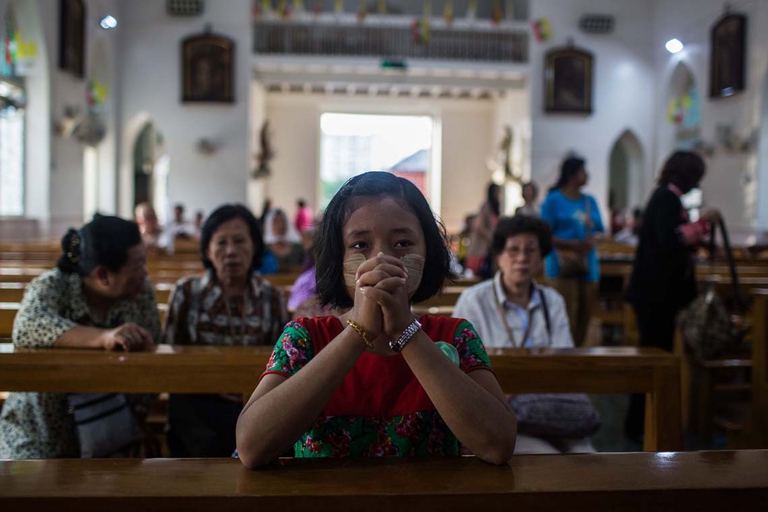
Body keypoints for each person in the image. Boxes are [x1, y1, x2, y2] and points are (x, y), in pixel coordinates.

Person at [236, 171, 516, 468]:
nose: (381, 260)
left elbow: (497, 444)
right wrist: (359, 332)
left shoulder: (455, 336)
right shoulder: (304, 338)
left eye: (402, 243)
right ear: (337, 257)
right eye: (360, 246)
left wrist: (406, 331)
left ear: (429, 252)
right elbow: (252, 448)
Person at [0, 215, 160, 459]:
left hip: (111, 429)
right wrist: (103, 338)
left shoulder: (141, 292)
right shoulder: (53, 286)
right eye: (138, 265)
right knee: (30, 483)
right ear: (103, 275)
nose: (145, 272)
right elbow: (27, 327)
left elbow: (150, 353)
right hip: (39, 431)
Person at [454, 215, 595, 454]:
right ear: (499, 256)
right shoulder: (474, 301)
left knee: (587, 456)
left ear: (541, 258)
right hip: (496, 411)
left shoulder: (552, 300)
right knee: (549, 458)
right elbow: (459, 366)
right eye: (513, 250)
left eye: (531, 251)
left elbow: (564, 360)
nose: (521, 258)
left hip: (547, 406)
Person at [162, 204, 289, 457]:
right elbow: (169, 358)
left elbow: (282, 362)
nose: (231, 251)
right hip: (198, 407)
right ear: (208, 249)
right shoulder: (186, 293)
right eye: (221, 243)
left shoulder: (272, 298)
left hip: (256, 405)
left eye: (240, 241)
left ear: (254, 246)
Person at [624, 151, 720, 441]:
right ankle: (639, 425)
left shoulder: (667, 197)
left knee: (657, 355)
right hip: (655, 296)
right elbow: (670, 239)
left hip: (659, 295)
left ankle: (645, 422)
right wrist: (703, 223)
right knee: (653, 357)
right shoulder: (666, 197)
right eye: (696, 177)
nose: (697, 184)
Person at [541, 157, 605, 346]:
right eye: (583, 171)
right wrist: (571, 244)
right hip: (561, 265)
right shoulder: (554, 200)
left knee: (585, 316)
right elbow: (544, 233)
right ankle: (563, 357)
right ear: (571, 174)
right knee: (565, 315)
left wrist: (593, 239)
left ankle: (579, 354)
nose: (587, 175)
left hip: (587, 265)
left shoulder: (589, 201)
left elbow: (600, 229)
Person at [465, 182, 502, 276]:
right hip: (482, 249)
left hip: (489, 248)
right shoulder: (486, 207)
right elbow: (478, 226)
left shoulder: (495, 207)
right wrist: (490, 237)